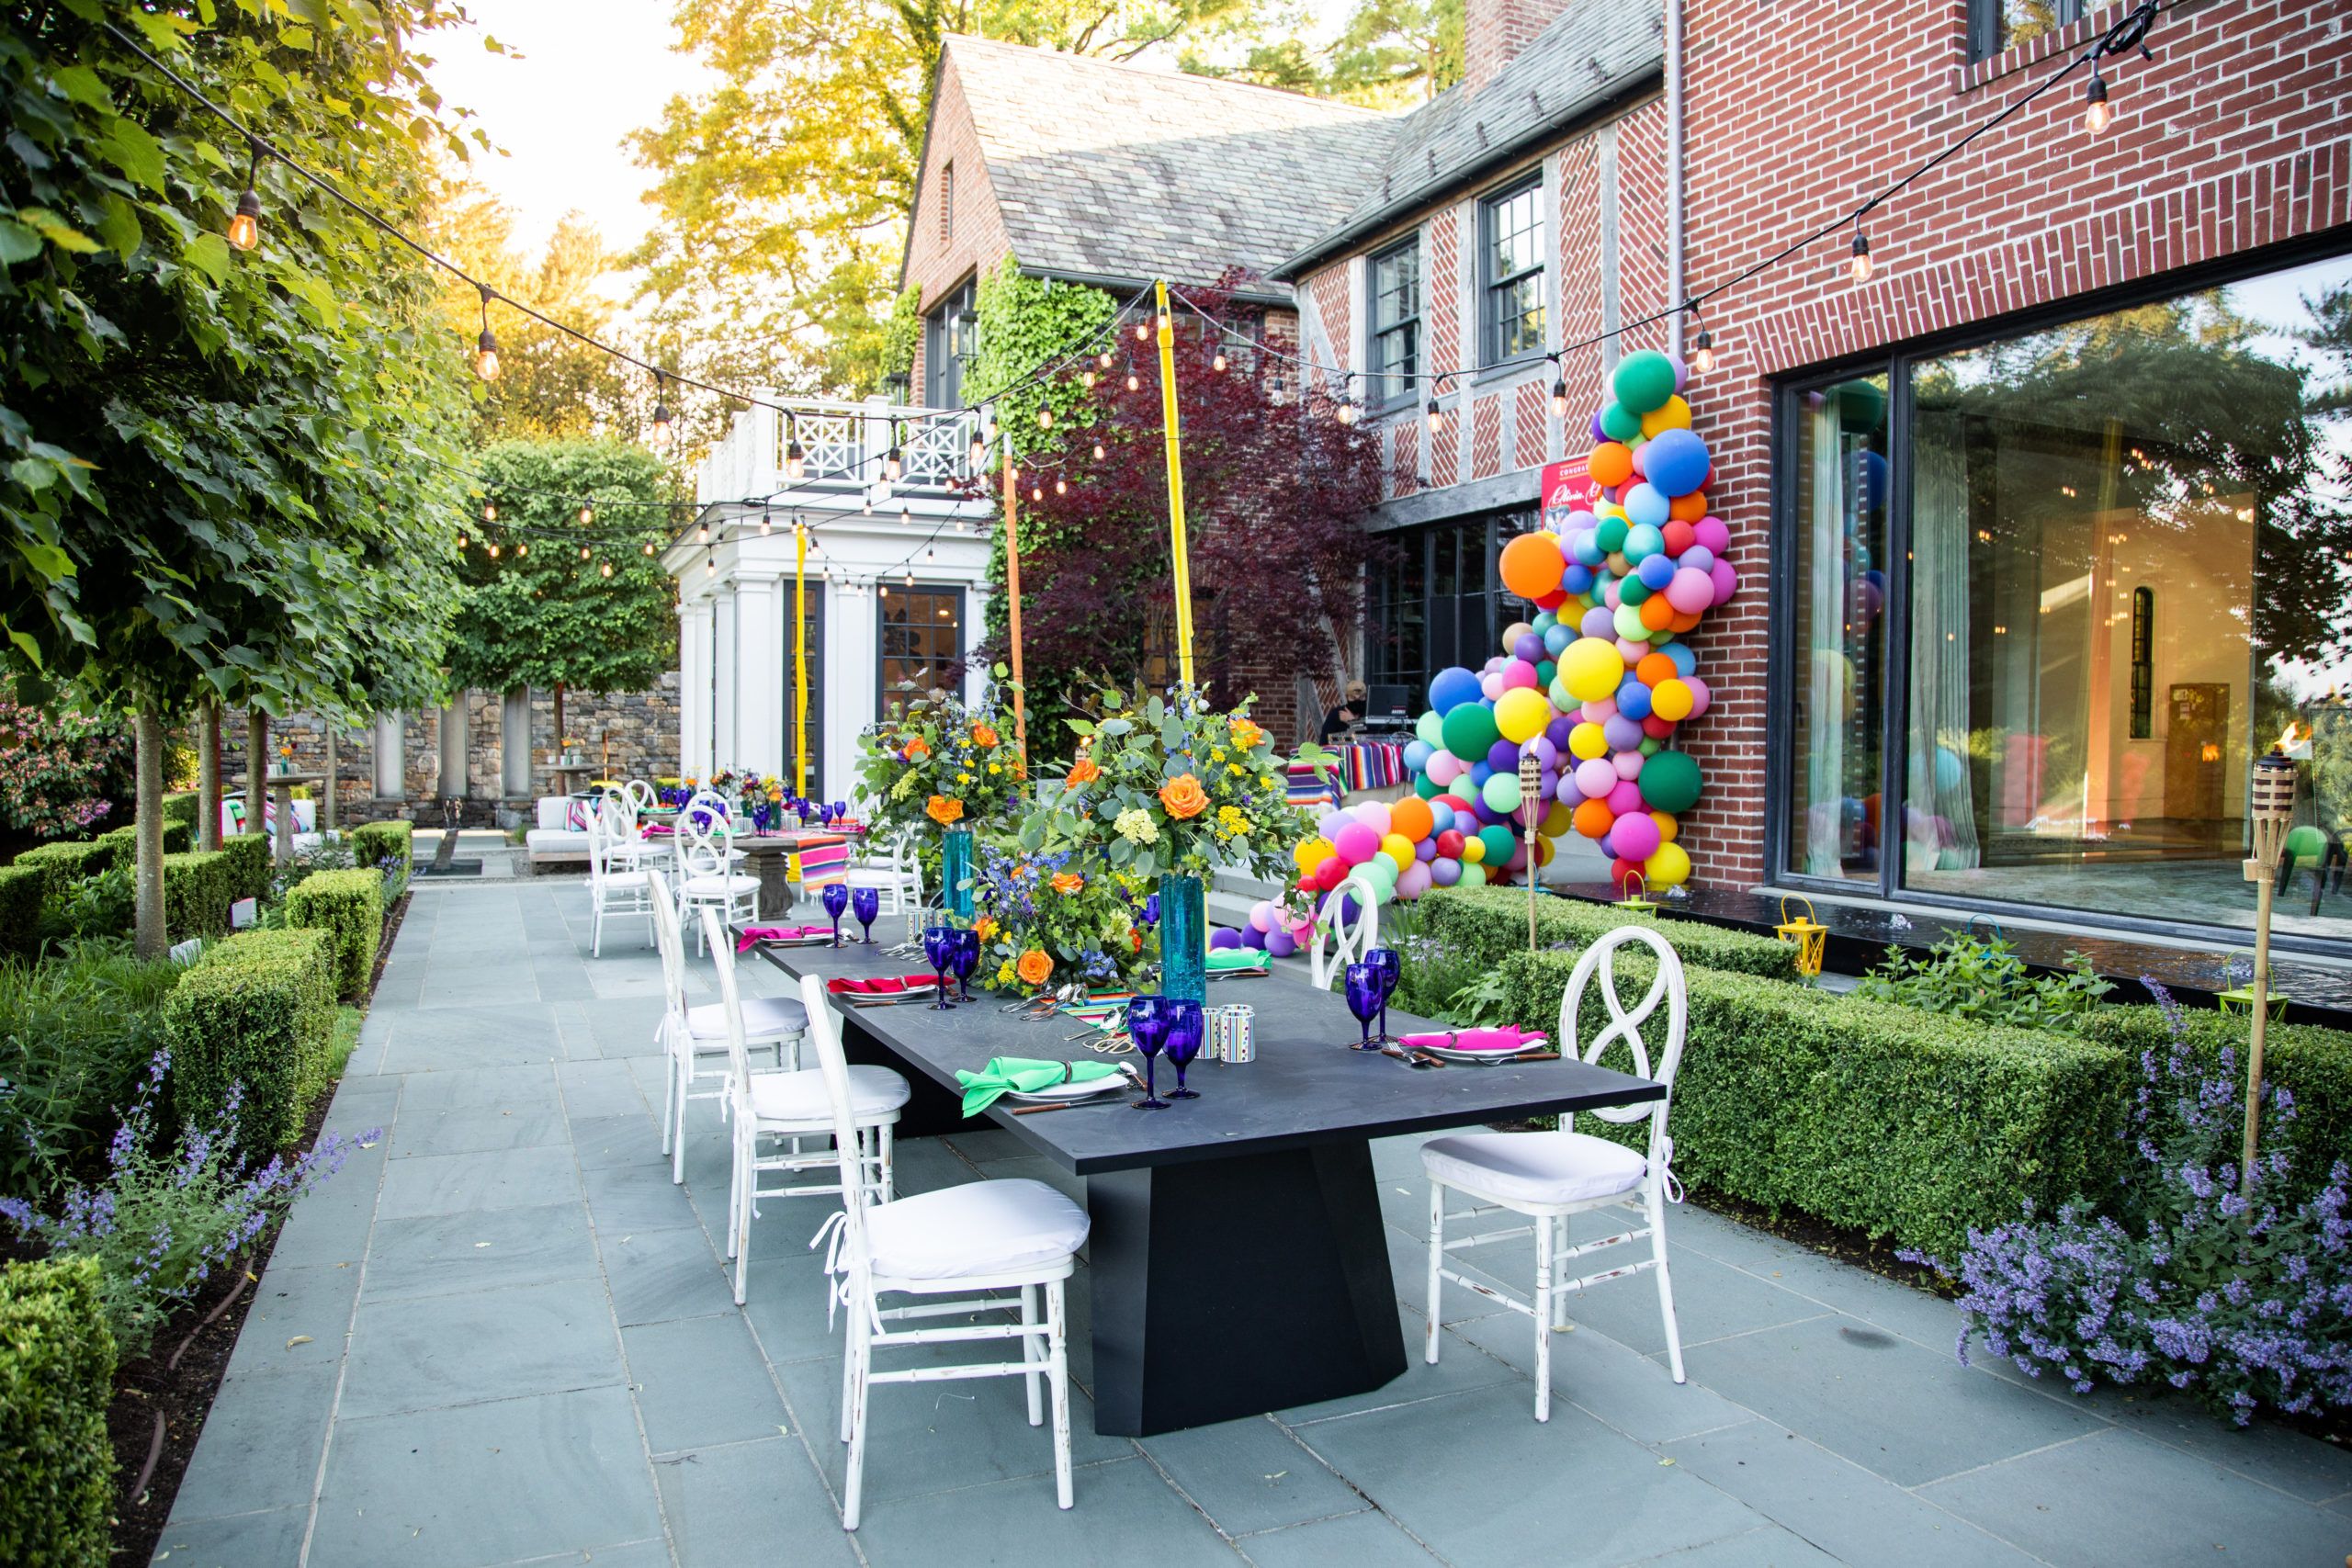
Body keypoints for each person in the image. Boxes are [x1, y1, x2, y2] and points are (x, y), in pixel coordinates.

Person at [1319, 681, 1368, 745]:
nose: (1357, 701)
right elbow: (1325, 740)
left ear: (1365, 697)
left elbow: (1372, 738)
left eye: (1361, 697)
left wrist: (1352, 722)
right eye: (1353, 698)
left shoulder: (1370, 714)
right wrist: (1354, 738)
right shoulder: (1336, 714)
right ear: (1347, 697)